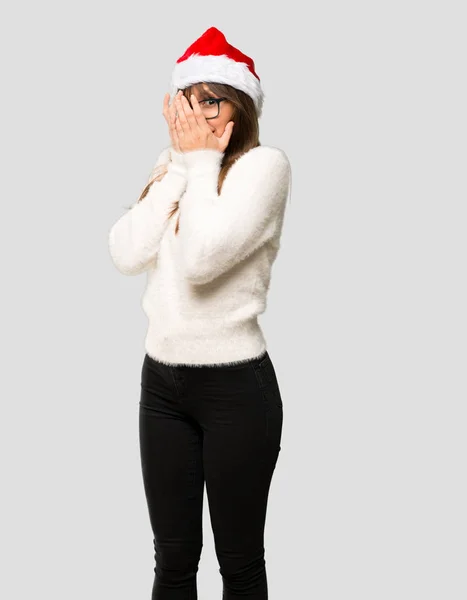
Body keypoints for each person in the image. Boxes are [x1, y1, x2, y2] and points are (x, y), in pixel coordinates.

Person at [108, 26, 292, 600]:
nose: (196, 113)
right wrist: (183, 170)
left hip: (236, 389)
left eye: (211, 100)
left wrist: (200, 163)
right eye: (187, 99)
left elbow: (202, 259)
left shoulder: (264, 167)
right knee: (172, 564)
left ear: (239, 106)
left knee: (238, 566)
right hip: (161, 386)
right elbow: (126, 251)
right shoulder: (180, 167)